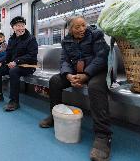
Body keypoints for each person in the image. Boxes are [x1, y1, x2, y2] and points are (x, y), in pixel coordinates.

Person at [39, 15, 111, 161]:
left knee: (95, 87)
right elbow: (64, 60)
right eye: (77, 27)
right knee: (55, 81)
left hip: (97, 71)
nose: (82, 29)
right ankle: (54, 117)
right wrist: (68, 76)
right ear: (70, 29)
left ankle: (103, 136)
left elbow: (102, 57)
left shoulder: (96, 35)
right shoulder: (66, 41)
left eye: (83, 25)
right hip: (77, 73)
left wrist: (86, 74)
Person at [0, 16, 38, 111]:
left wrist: (16, 61)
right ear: (13, 28)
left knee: (13, 71)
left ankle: (14, 101)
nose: (21, 28)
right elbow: (8, 55)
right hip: (14, 65)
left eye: (22, 25)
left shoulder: (31, 39)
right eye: (18, 26)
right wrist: (0, 63)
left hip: (28, 66)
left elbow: (32, 55)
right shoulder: (11, 40)